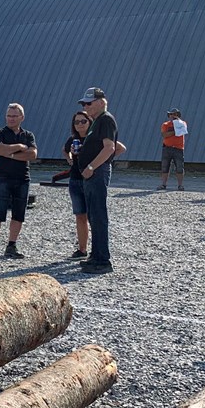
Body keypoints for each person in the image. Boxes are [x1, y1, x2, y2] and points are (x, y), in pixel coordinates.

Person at [0, 103, 36, 261]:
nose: (11, 119)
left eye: (14, 116)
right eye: (9, 115)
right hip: (3, 178)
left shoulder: (28, 135)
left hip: (22, 179)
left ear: (22, 117)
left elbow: (33, 154)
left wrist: (11, 153)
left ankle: (11, 245)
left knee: (19, 214)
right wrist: (19, 147)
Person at [76, 87, 119, 273]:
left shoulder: (106, 120)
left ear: (101, 102)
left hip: (97, 173)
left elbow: (109, 148)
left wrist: (91, 167)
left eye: (89, 103)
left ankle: (102, 260)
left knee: (98, 216)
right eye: (84, 103)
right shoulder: (97, 121)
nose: (86, 106)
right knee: (93, 215)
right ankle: (96, 255)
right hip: (93, 173)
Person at [65, 110, 92, 257]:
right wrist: (69, 158)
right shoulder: (73, 139)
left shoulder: (94, 138)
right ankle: (82, 249)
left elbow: (117, 147)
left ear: (89, 122)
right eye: (77, 122)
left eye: (83, 121)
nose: (80, 124)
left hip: (91, 180)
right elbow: (64, 150)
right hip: (75, 179)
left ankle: (98, 250)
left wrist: (103, 165)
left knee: (94, 216)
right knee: (80, 215)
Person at [159, 108, 188, 190]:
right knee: (165, 167)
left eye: (174, 114)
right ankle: (163, 184)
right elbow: (164, 135)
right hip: (167, 148)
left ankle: (180, 185)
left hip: (178, 148)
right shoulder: (165, 124)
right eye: (171, 114)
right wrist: (176, 131)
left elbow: (183, 131)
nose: (173, 116)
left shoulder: (183, 123)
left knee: (179, 167)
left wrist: (175, 130)